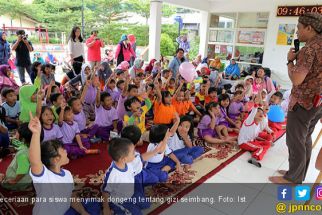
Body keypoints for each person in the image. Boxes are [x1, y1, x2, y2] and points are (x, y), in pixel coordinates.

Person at [269, 13, 322, 184]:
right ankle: (297, 174)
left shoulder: (309, 49)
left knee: (295, 140)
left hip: (303, 102)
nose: (297, 32)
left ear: (309, 27)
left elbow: (297, 79)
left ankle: (293, 179)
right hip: (318, 101)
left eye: (299, 27)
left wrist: (290, 61)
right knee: (304, 137)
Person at [28, 113, 97, 215]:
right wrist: (36, 133)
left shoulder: (67, 173)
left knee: (94, 203)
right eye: (63, 150)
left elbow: (71, 195)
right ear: (56, 159)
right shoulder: (45, 177)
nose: (66, 151)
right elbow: (35, 161)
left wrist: (83, 212)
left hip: (65, 211)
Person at [101, 138, 151, 215]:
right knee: (137, 213)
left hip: (131, 192)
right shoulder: (112, 175)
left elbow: (140, 159)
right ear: (123, 159)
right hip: (120, 200)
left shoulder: (129, 163)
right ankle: (115, 209)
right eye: (132, 153)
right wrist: (106, 208)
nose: (135, 153)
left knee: (146, 205)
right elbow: (105, 191)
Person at [1, 123, 44, 191]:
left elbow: (22, 171)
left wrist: (14, 181)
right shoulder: (35, 148)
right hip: (29, 178)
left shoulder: (22, 154)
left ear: (23, 139)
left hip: (18, 182)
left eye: (17, 131)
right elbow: (20, 145)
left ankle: (22, 187)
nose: (16, 132)